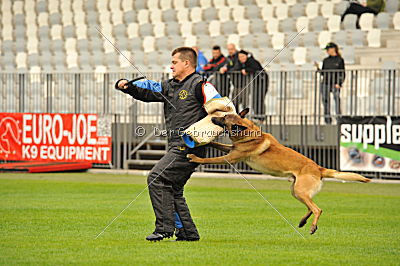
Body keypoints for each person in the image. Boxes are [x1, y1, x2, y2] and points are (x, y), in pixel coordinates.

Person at [115, 47, 222, 242]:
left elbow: (223, 110)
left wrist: (205, 133)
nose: (171, 66)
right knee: (172, 188)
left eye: (174, 62)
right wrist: (128, 87)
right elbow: (147, 93)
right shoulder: (169, 86)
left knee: (156, 177)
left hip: (189, 146)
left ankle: (164, 228)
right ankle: (187, 232)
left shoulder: (202, 85)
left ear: (186, 63)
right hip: (175, 144)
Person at [232, 50, 268, 119]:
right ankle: (257, 115)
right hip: (255, 83)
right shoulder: (241, 63)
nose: (241, 58)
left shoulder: (251, 61)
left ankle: (261, 116)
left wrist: (246, 70)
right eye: (240, 57)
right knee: (255, 99)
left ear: (246, 56)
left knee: (259, 98)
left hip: (262, 81)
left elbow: (255, 68)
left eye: (242, 56)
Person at [319, 42, 345, 124]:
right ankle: (327, 119)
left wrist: (339, 83)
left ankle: (338, 118)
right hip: (326, 82)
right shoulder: (325, 60)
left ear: (333, 49)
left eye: (328, 49)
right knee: (325, 100)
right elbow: (323, 72)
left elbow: (342, 73)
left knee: (336, 100)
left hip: (335, 83)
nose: (327, 51)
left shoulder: (340, 60)